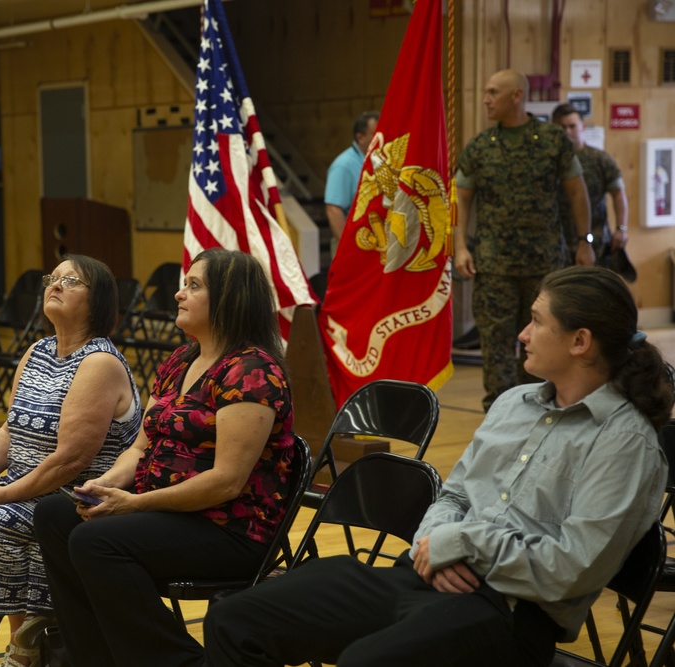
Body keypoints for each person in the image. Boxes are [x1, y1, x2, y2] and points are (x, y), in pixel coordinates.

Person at [203, 264, 673, 667]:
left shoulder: (625, 444)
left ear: (580, 341)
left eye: (535, 321)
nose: (522, 333)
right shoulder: (515, 403)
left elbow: (571, 567)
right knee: (235, 620)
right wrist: (435, 543)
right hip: (424, 574)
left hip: (509, 615)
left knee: (365, 662)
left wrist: (460, 542)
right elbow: (455, 495)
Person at [33, 248, 296, 667]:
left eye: (194, 286)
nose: (178, 294)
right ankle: (93, 658)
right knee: (53, 515)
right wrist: (108, 486)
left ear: (230, 298)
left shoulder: (253, 371)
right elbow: (140, 447)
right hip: (166, 513)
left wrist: (133, 505)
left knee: (95, 541)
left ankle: (179, 661)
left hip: (228, 528)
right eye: (183, 284)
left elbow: (226, 481)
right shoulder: (181, 360)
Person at [0, 255, 141, 667]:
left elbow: (70, 462)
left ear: (98, 301)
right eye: (53, 278)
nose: (56, 284)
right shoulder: (38, 350)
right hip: (29, 482)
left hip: (79, 493)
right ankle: (31, 635)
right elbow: (10, 426)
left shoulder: (99, 362)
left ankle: (29, 644)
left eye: (71, 282)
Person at [453, 69, 594, 412]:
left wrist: (584, 240)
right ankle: (499, 413)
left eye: (492, 92)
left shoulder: (552, 140)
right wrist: (459, 247)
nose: (485, 99)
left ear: (516, 95)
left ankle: (538, 409)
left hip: (543, 262)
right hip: (494, 263)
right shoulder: (480, 147)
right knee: (496, 342)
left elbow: (577, 192)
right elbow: (461, 198)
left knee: (544, 339)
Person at [551, 103, 629, 262]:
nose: (567, 132)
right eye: (562, 127)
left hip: (595, 242)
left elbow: (618, 194)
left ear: (582, 127)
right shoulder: (548, 161)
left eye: (572, 126)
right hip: (556, 242)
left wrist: (621, 229)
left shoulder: (600, 159)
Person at [325, 111, 379, 242]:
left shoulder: (378, 161)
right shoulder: (343, 165)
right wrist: (347, 246)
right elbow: (333, 209)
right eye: (375, 134)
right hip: (355, 246)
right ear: (360, 138)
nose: (380, 138)